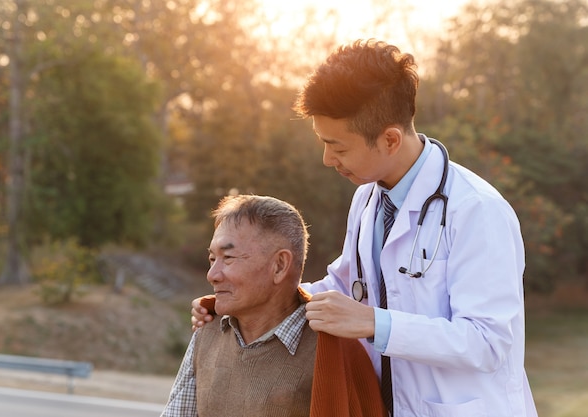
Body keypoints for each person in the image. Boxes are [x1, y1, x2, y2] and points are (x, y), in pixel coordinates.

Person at [192, 40, 539, 417]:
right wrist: (243, 300)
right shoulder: (368, 198)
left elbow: (488, 342)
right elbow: (343, 287)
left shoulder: (477, 211)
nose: (328, 160)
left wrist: (375, 323)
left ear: (390, 139)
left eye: (337, 147)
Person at [162, 194, 386, 417]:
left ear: (279, 265)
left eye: (228, 258)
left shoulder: (333, 351)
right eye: (212, 259)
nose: (212, 275)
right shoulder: (207, 331)